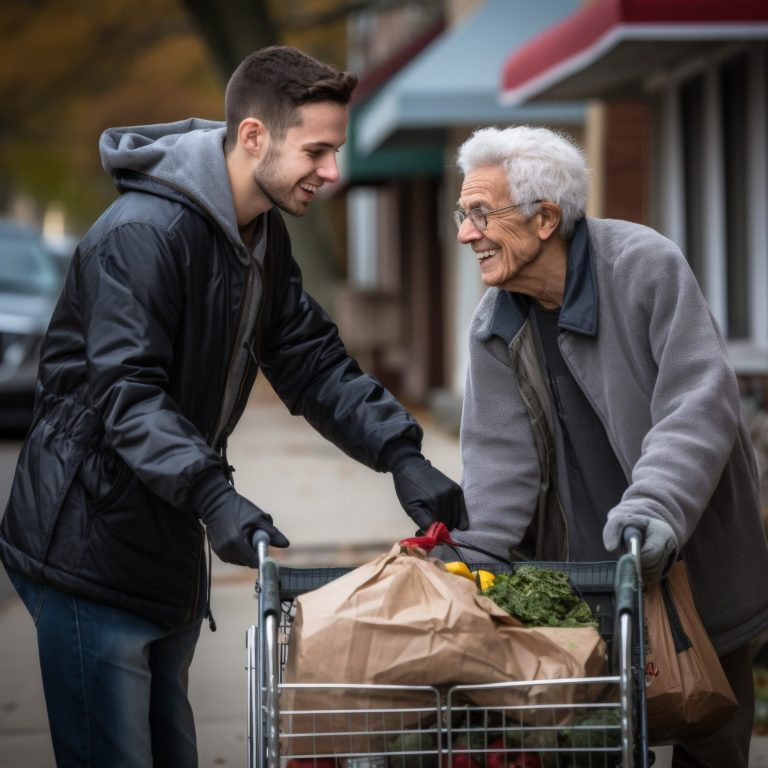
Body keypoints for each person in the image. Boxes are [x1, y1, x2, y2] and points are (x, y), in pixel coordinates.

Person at [0, 45, 466, 767]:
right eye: (317, 149)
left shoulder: (258, 237)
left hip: (163, 539)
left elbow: (310, 359)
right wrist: (214, 494)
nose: (333, 172)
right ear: (254, 137)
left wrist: (400, 454)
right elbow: (128, 394)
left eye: (336, 151)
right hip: (86, 544)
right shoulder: (145, 236)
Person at [448, 125, 768, 766]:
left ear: (545, 219)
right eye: (463, 214)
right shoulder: (496, 321)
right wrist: (470, 559)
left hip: (689, 563)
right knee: (585, 746)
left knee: (712, 742)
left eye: (481, 214)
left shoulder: (643, 266)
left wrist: (653, 510)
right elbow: (498, 459)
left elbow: (696, 404)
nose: (465, 234)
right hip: (579, 586)